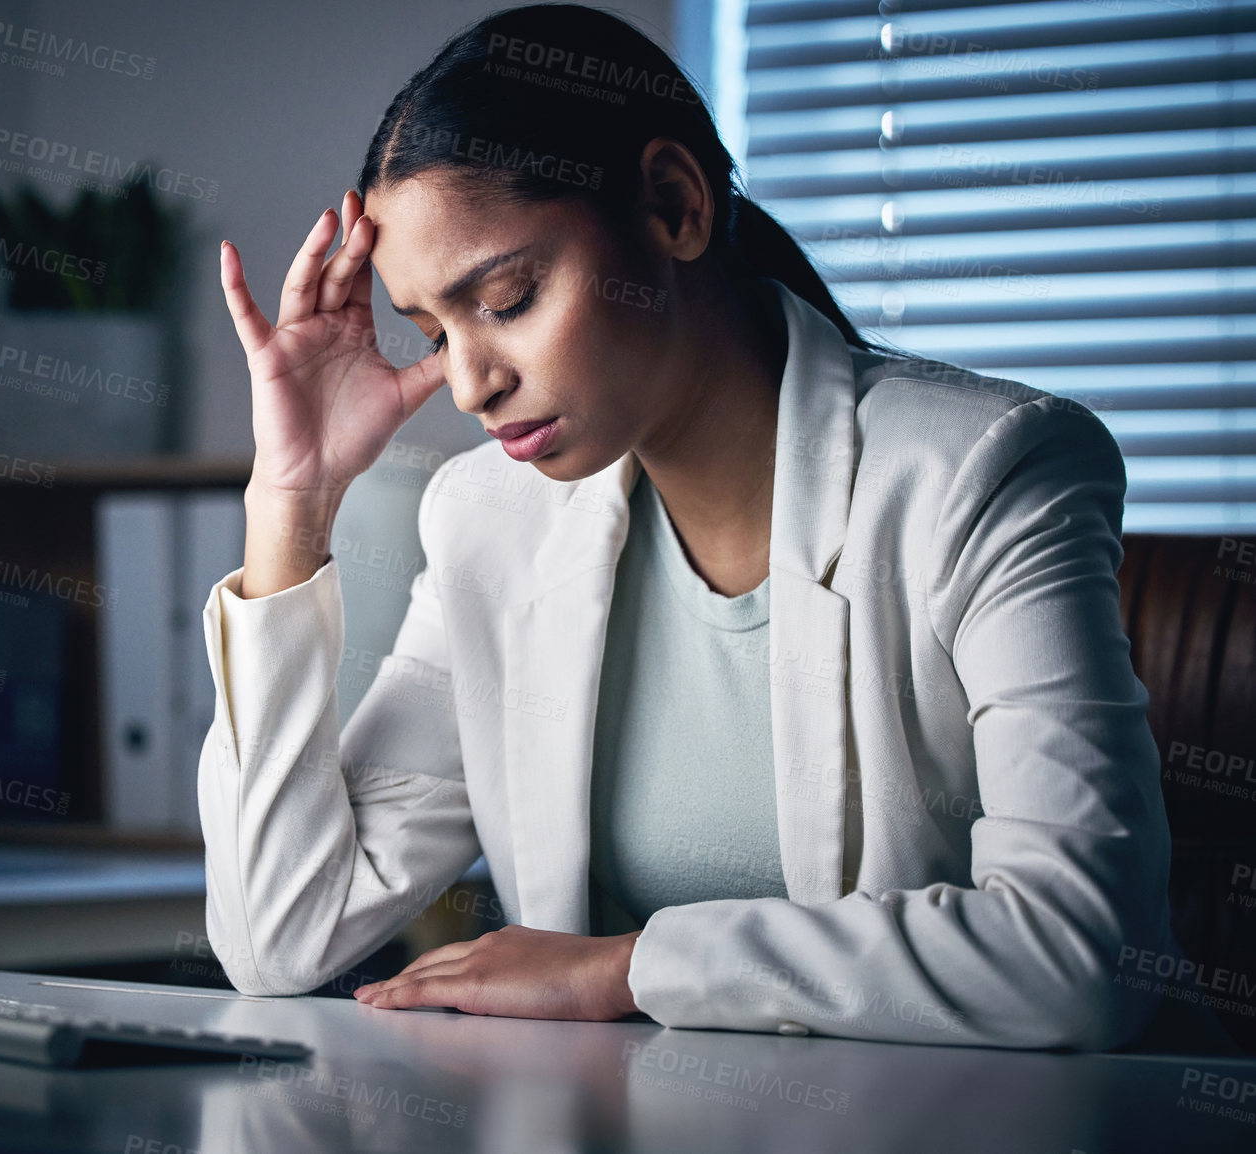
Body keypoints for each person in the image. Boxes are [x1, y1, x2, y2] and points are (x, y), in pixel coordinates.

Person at [198, 3, 1172, 1049]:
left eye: (510, 297)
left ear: (674, 205)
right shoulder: (490, 523)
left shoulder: (985, 473)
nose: (472, 382)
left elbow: (1083, 954)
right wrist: (291, 499)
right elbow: (279, 934)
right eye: (434, 331)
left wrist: (625, 967)